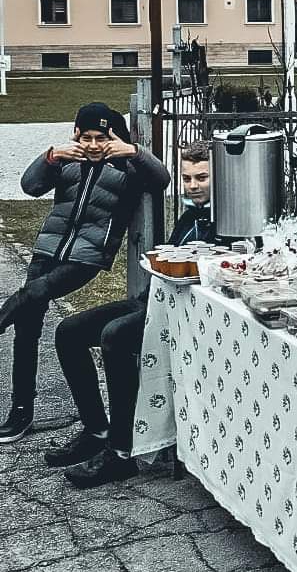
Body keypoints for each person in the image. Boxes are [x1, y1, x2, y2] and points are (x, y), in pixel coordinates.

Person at [0, 103, 170, 444]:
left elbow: (161, 179)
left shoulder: (127, 168)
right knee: (27, 324)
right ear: (77, 135)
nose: (93, 145)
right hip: (47, 251)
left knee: (33, 294)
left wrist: (133, 151)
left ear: (114, 137)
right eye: (87, 137)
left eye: (101, 138)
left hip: (85, 259)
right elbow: (30, 186)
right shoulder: (68, 161)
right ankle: (21, 411)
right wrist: (51, 156)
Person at [47, 142, 214, 489]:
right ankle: (96, 429)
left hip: (182, 314)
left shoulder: (224, 218)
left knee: (116, 335)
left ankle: (121, 452)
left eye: (201, 178)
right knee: (69, 331)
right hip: (152, 300)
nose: (193, 186)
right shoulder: (189, 215)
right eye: (187, 178)